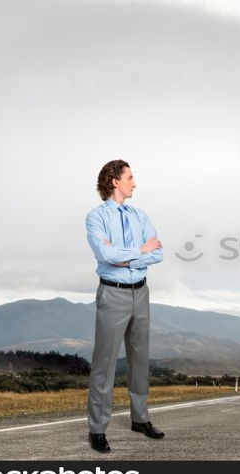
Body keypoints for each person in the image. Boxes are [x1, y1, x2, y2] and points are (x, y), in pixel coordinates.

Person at [85, 159, 165, 453]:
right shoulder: (96, 218)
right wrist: (140, 251)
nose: (135, 182)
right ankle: (97, 429)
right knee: (104, 365)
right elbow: (105, 255)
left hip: (141, 293)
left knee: (139, 361)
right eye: (130, 177)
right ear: (114, 180)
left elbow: (158, 253)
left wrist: (129, 256)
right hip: (113, 294)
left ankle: (140, 419)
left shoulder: (140, 216)